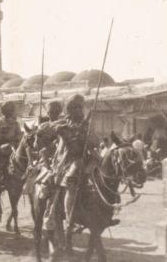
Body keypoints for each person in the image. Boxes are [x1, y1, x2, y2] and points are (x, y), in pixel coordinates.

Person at [44, 94, 107, 251]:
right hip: (68, 160)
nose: (79, 110)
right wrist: (65, 129)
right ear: (69, 110)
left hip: (87, 158)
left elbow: (95, 141)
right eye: (75, 108)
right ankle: (69, 219)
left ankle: (106, 212)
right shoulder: (64, 122)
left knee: (104, 174)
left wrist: (87, 137)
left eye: (80, 107)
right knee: (72, 180)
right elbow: (48, 127)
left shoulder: (87, 124)